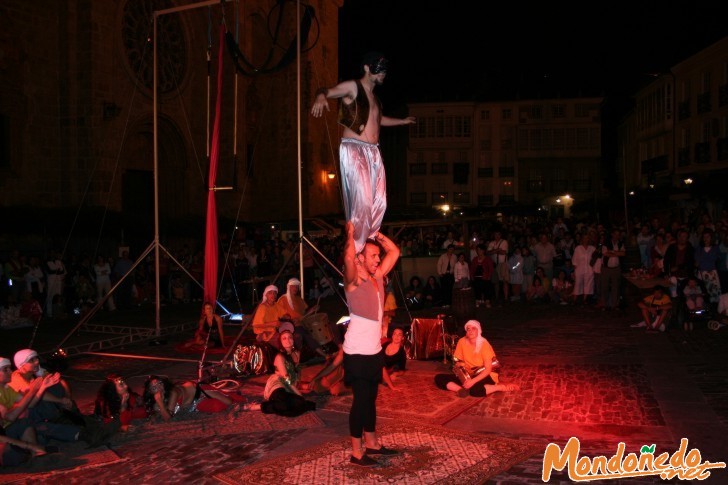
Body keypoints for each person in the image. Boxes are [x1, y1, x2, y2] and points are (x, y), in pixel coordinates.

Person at [311, 52, 415, 254]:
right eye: (380, 69)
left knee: (380, 202)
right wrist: (320, 96)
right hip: (355, 148)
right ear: (367, 68)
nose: (384, 73)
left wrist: (401, 121)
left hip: (373, 152)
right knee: (363, 203)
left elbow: (378, 120)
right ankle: (356, 252)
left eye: (385, 70)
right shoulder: (353, 87)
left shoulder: (375, 98)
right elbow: (327, 90)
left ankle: (369, 244)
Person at [341, 221, 400, 466]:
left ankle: (373, 443)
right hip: (356, 354)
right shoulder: (353, 282)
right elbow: (347, 258)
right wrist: (351, 235)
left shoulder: (378, 277)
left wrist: (378, 235)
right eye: (373, 256)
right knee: (361, 401)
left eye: (378, 255)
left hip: (374, 352)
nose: (378, 259)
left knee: (371, 400)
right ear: (360, 258)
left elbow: (395, 252)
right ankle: (357, 452)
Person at [434, 320, 518, 397]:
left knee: (475, 391)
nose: (470, 331)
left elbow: (488, 369)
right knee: (439, 378)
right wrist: (460, 366)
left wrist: (472, 381)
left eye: (473, 328)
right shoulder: (462, 341)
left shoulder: (484, 344)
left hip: (486, 374)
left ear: (479, 330)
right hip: (468, 374)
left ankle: (500, 387)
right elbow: (458, 360)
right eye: (468, 329)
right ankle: (460, 390)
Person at [261, 323, 317, 417]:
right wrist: (299, 394)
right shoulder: (280, 357)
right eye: (284, 338)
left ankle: (292, 403)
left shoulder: (297, 354)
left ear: (293, 340)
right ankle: (259, 407)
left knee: (301, 404)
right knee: (291, 403)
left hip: (290, 385)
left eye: (290, 337)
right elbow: (286, 379)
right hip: (278, 384)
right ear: (281, 342)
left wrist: (300, 385)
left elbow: (296, 373)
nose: (288, 340)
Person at [142, 375, 242, 421]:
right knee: (217, 407)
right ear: (150, 391)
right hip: (194, 404)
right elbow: (157, 413)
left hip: (199, 391)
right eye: (154, 387)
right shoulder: (156, 400)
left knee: (229, 401)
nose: (159, 388)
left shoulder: (173, 392)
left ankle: (230, 394)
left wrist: (160, 403)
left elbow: (168, 417)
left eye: (160, 384)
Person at [276, 278, 325, 358]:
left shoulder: (299, 299)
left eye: (297, 286)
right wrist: (289, 320)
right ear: (288, 287)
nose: (295, 288)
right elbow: (279, 316)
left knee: (319, 328)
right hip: (290, 326)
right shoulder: (282, 300)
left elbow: (303, 315)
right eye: (293, 286)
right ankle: (323, 355)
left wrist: (313, 310)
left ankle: (327, 350)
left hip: (301, 323)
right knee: (302, 334)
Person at [251, 285, 287, 350]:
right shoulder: (262, 307)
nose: (273, 295)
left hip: (275, 331)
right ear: (266, 295)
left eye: (275, 293)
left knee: (291, 336)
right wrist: (272, 324)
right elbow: (256, 325)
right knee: (284, 342)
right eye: (270, 293)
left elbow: (284, 314)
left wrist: (286, 316)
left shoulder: (276, 305)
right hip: (265, 333)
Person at [599, 229, 625, 311]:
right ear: (612, 234)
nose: (617, 236)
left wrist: (612, 252)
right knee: (604, 287)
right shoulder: (606, 243)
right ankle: (604, 304)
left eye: (618, 234)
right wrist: (617, 253)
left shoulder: (620, 243)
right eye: (616, 234)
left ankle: (615, 305)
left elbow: (623, 253)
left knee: (616, 287)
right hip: (606, 269)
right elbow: (606, 254)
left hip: (616, 268)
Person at [571, 233, 596, 305]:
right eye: (584, 238)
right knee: (578, 284)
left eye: (587, 238)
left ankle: (584, 300)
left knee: (588, 285)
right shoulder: (578, 248)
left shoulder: (592, 248)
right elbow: (574, 260)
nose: (586, 240)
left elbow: (595, 259)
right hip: (579, 269)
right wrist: (574, 271)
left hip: (589, 269)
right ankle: (574, 299)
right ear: (582, 239)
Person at [487, 231, 510, 302]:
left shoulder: (504, 242)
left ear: (500, 235)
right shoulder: (491, 243)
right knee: (496, 281)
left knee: (505, 281)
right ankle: (497, 297)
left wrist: (494, 251)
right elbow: (488, 253)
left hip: (503, 263)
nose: (497, 236)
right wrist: (498, 250)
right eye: (495, 234)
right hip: (494, 264)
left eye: (498, 234)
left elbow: (504, 252)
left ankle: (506, 297)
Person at [470, 244, 495, 308]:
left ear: (483, 251)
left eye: (480, 250)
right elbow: (472, 268)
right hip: (476, 277)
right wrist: (472, 276)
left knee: (487, 289)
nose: (478, 251)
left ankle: (487, 302)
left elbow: (491, 269)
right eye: (477, 250)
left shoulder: (488, 259)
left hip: (485, 277)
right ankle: (478, 301)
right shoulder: (475, 259)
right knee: (477, 289)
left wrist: (489, 276)